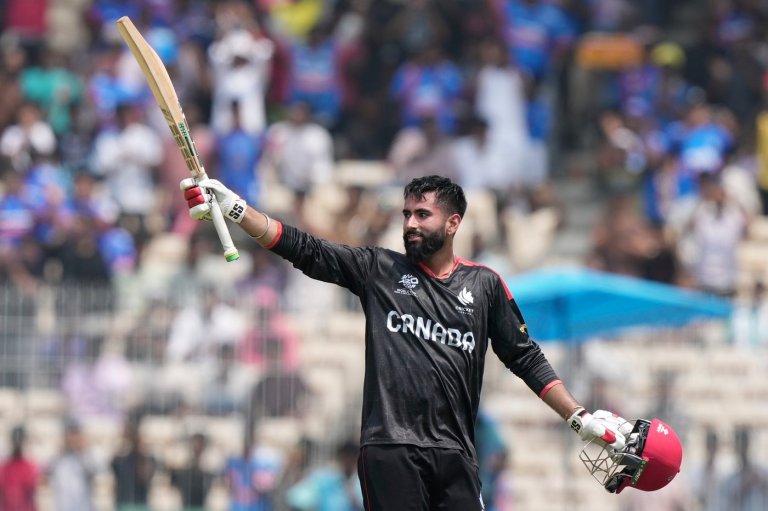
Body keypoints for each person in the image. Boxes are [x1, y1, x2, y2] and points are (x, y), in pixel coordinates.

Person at [180, 174, 631, 510]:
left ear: (453, 223)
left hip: (455, 452)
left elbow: (524, 356)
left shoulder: (486, 284)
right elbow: (305, 249)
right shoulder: (380, 270)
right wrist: (239, 210)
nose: (410, 224)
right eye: (406, 215)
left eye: (423, 215)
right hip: (390, 449)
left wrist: (578, 418)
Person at [0, 426, 40, 511]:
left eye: (20, 441)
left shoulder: (30, 467)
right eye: (16, 441)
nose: (18, 445)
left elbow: (32, 497)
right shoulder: (4, 468)